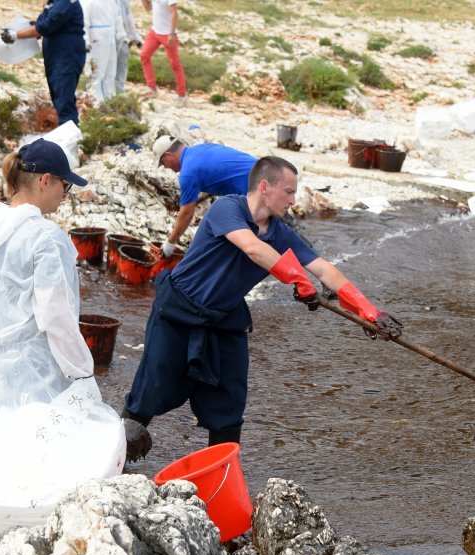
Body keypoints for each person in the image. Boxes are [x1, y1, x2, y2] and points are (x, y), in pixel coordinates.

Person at [120, 156, 402, 457]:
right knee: (151, 389)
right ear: (265, 187)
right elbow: (252, 248)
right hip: (178, 311)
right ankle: (117, 457)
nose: (294, 200)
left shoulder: (282, 234)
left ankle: (222, 472)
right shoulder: (227, 208)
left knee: (229, 400)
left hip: (224, 319)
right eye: (289, 192)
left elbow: (324, 269)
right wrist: (295, 278)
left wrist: (368, 310)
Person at [0, 139, 125, 551]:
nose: (66, 194)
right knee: (42, 449)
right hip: (34, 361)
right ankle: (35, 535)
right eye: (65, 185)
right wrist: (81, 370)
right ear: (44, 180)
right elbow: (56, 318)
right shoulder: (45, 238)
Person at [152, 135, 257, 257]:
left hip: (258, 190)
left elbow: (186, 213)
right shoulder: (201, 149)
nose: (165, 167)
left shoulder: (187, 173)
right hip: (268, 172)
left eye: (162, 162)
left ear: (168, 155)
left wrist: (170, 242)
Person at [0, 1, 87, 126]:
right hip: (56, 57)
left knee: (64, 99)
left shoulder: (65, 2)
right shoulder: (52, 2)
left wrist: (15, 35)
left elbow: (46, 26)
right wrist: (19, 28)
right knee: (58, 96)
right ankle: (66, 132)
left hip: (66, 56)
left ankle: (70, 138)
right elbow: (40, 23)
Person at [140, 0, 187, 106]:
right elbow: (148, 8)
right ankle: (151, 88)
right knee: (144, 55)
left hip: (167, 34)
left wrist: (172, 33)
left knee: (174, 64)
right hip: (155, 32)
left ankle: (182, 95)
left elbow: (174, 13)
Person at [82, 0, 127, 102]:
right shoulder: (88, 2)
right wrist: (86, 40)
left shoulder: (111, 2)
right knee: (96, 72)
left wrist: (121, 34)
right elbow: (84, 22)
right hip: (96, 39)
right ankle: (96, 102)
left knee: (110, 72)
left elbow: (117, 18)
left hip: (110, 39)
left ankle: (109, 99)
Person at [115, 0, 143, 94]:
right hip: (108, 38)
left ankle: (119, 96)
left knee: (121, 68)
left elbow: (128, 17)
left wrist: (136, 38)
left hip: (124, 37)